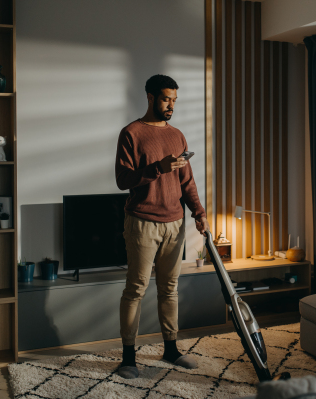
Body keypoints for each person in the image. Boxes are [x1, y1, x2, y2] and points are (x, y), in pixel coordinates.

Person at [114, 74, 209, 379]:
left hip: (175, 223)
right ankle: (129, 357)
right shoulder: (131, 133)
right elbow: (122, 180)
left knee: (169, 289)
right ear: (151, 97)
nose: (171, 106)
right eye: (166, 99)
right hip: (142, 223)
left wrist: (198, 212)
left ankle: (171, 349)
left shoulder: (178, 136)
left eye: (174, 101)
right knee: (136, 290)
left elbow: (187, 181)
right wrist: (158, 168)